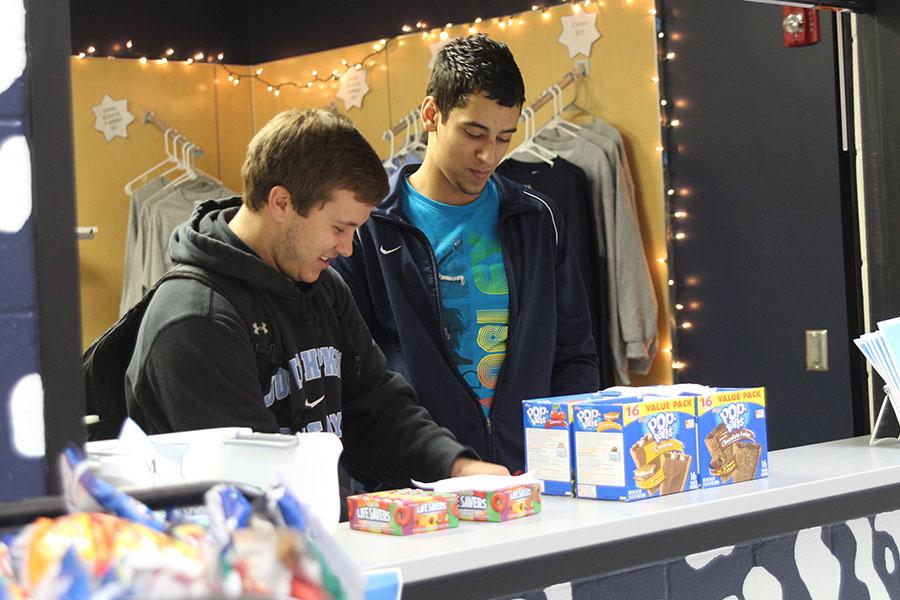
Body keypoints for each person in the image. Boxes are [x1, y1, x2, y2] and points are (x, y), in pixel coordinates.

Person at [125, 108, 507, 492]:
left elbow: (375, 408)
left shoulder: (322, 286)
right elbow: (254, 488)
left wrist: (456, 466)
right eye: (339, 228)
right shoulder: (195, 321)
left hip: (314, 539)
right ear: (280, 203)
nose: (346, 248)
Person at [333, 34, 599, 474]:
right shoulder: (365, 226)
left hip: (528, 481)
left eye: (504, 137)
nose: (488, 154)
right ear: (431, 114)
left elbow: (573, 356)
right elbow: (352, 377)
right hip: (412, 488)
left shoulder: (536, 219)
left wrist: (563, 457)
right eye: (474, 133)